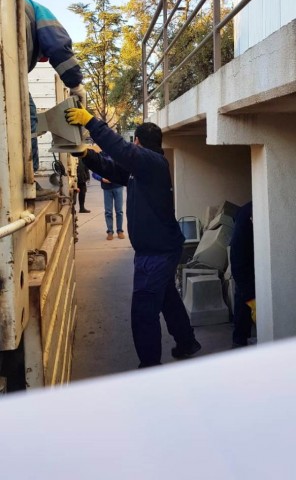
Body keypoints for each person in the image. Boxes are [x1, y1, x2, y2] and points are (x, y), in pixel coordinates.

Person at [64, 105, 201, 368]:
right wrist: (88, 155)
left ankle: (149, 367)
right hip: (161, 249)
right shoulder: (142, 170)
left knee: (143, 312)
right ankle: (187, 342)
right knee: (167, 298)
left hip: (156, 254)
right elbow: (114, 170)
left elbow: (122, 152)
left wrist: (92, 122)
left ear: (137, 142)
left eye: (133, 144)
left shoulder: (153, 163)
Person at [25, 0, 86, 198]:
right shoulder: (38, 12)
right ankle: (27, 182)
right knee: (26, 116)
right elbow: (58, 47)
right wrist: (76, 84)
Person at [230, 201, 256, 347]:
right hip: (244, 266)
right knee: (244, 297)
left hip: (246, 264)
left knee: (243, 299)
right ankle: (240, 341)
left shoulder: (245, 211)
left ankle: (240, 340)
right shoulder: (248, 214)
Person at [92, 160, 125, 240]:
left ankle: (120, 231)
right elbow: (94, 173)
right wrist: (101, 179)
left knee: (119, 211)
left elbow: (124, 169)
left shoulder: (117, 156)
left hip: (118, 186)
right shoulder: (101, 158)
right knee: (108, 211)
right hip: (107, 188)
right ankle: (110, 231)